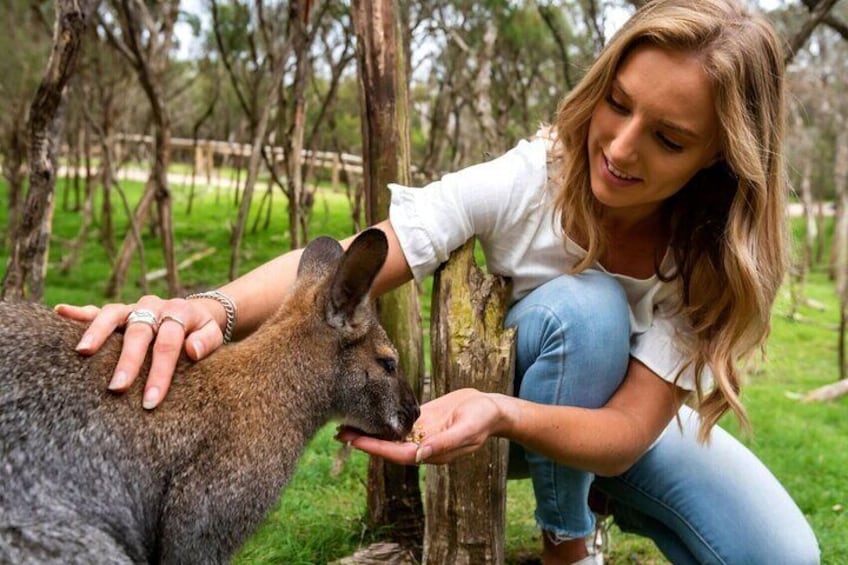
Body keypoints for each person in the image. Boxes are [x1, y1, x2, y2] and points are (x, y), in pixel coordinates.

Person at [57, 0, 820, 563]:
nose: (619, 148)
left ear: (718, 157)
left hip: (614, 424)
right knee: (582, 311)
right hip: (483, 419)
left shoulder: (708, 254)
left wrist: (519, 417)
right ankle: (568, 543)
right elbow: (363, 257)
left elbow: (626, 432)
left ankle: (589, 504)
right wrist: (209, 308)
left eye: (669, 137)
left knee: (785, 554)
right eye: (617, 104)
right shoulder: (537, 176)